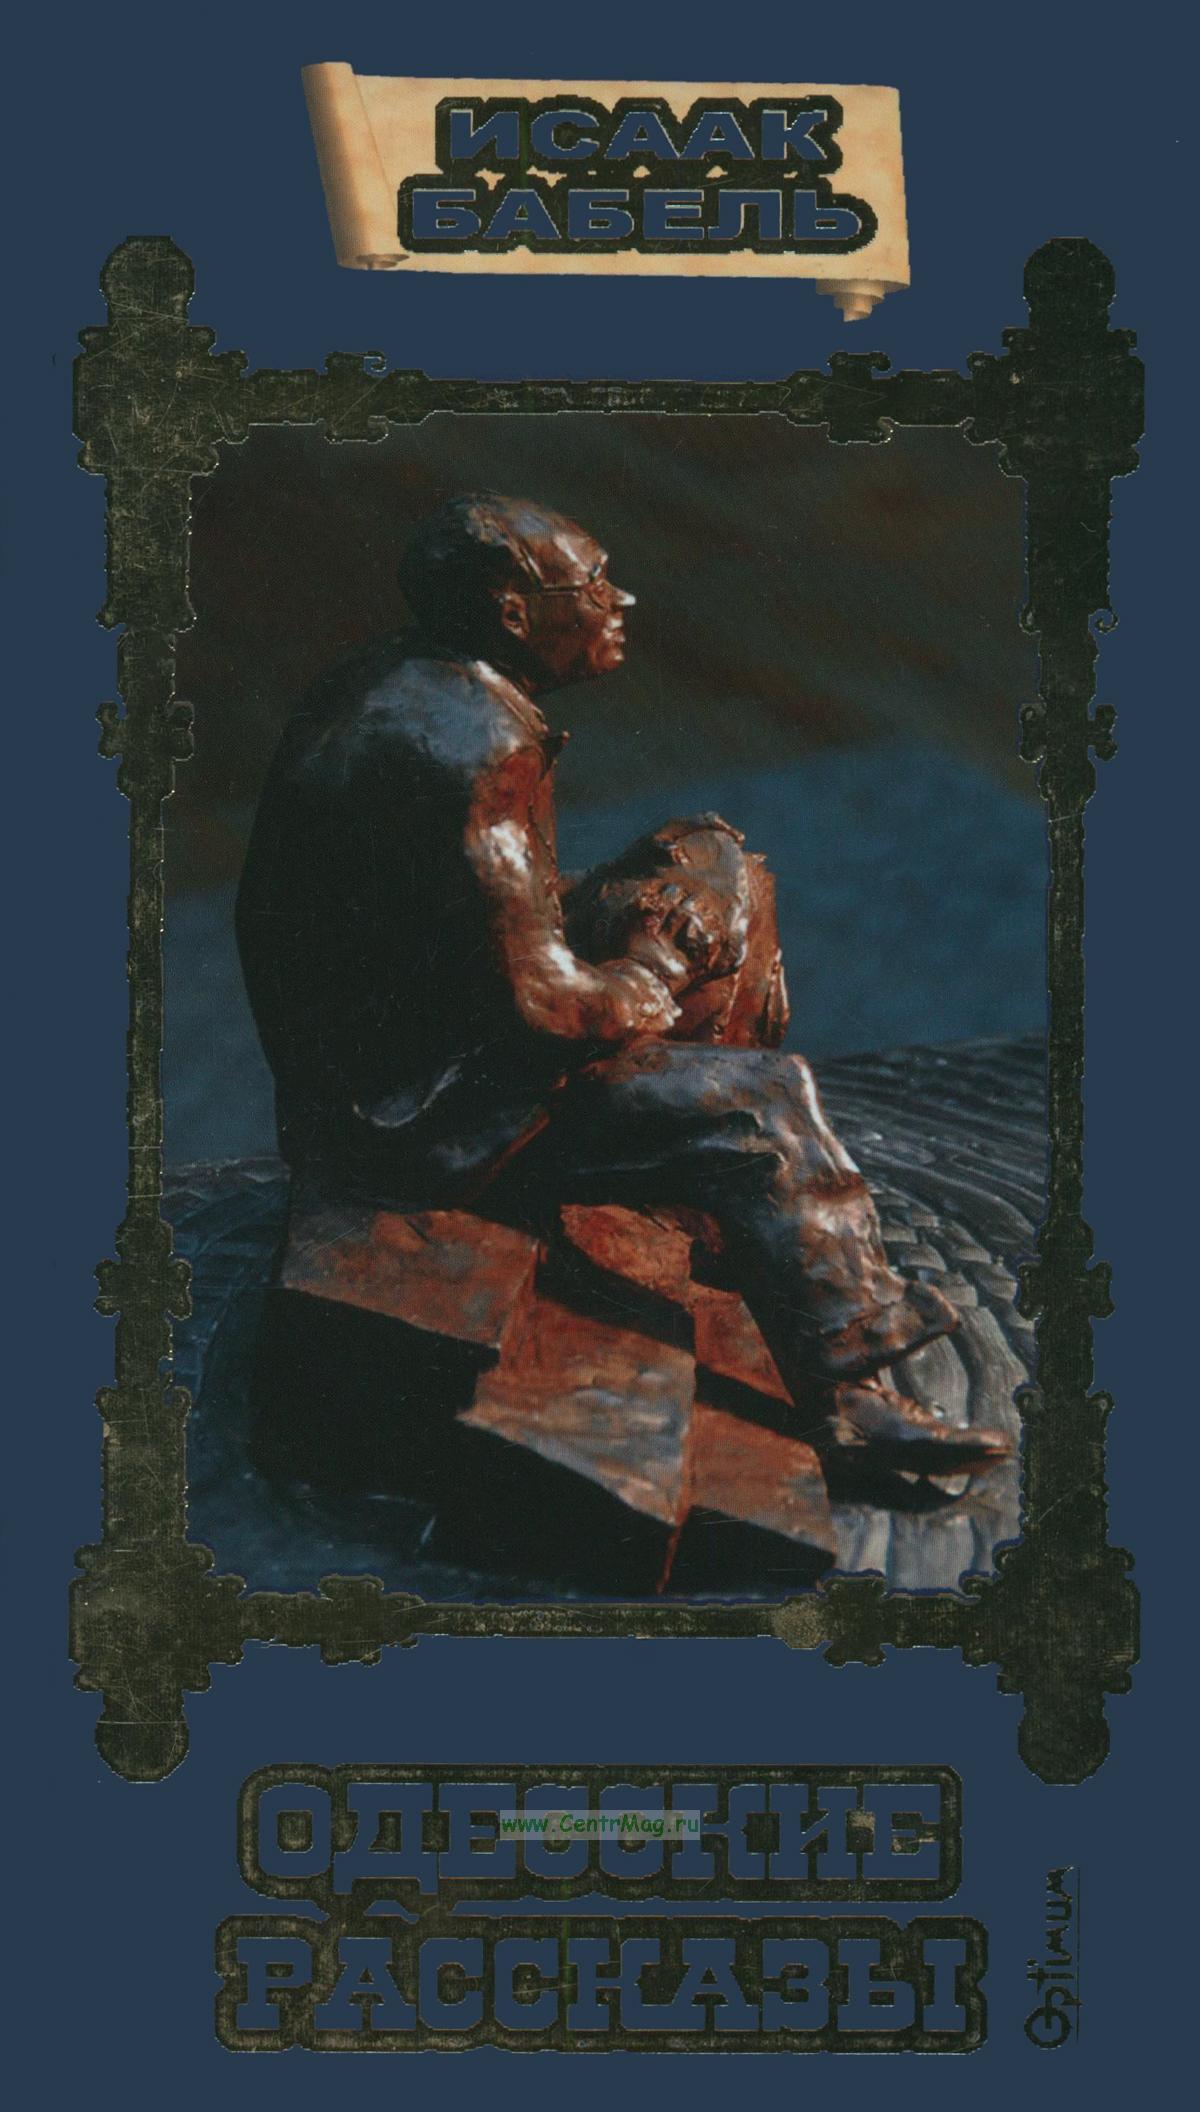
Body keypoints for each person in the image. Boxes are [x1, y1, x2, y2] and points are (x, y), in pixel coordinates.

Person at [236, 494, 1009, 1472]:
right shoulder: (474, 751)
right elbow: (545, 1007)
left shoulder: (407, 685)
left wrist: (652, 910)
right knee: (763, 1105)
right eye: (593, 585)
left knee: (710, 860)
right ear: (514, 613)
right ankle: (850, 1391)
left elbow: (462, 915)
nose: (619, 601)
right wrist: (651, 966)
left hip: (421, 1033)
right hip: (425, 1115)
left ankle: (708, 1206)